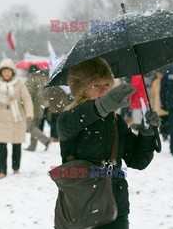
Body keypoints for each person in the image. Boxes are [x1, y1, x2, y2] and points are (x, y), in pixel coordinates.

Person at [56, 58, 159, 228]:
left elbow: (138, 160)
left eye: (106, 84)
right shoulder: (68, 118)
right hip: (79, 206)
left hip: (115, 207)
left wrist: (147, 133)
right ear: (81, 89)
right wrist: (102, 106)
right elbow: (69, 125)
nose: (103, 90)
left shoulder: (115, 121)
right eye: (95, 85)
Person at [0, 58, 34, 179]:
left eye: (8, 71)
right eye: (4, 71)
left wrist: (29, 113)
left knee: (16, 144)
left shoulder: (19, 84)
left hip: (17, 117)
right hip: (1, 118)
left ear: (12, 72)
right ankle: (2, 170)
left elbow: (27, 99)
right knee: (1, 146)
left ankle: (16, 168)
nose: (6, 73)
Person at [25, 64, 51, 151]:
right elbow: (47, 93)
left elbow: (29, 94)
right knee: (35, 126)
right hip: (41, 107)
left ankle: (46, 140)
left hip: (32, 107)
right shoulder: (44, 79)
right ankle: (32, 146)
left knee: (30, 127)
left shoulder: (32, 79)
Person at [151, 70, 169, 141]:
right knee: (164, 120)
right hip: (161, 104)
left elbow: (152, 95)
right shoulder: (157, 82)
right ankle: (165, 133)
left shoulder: (157, 82)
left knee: (164, 120)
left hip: (161, 104)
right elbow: (153, 95)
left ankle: (165, 133)